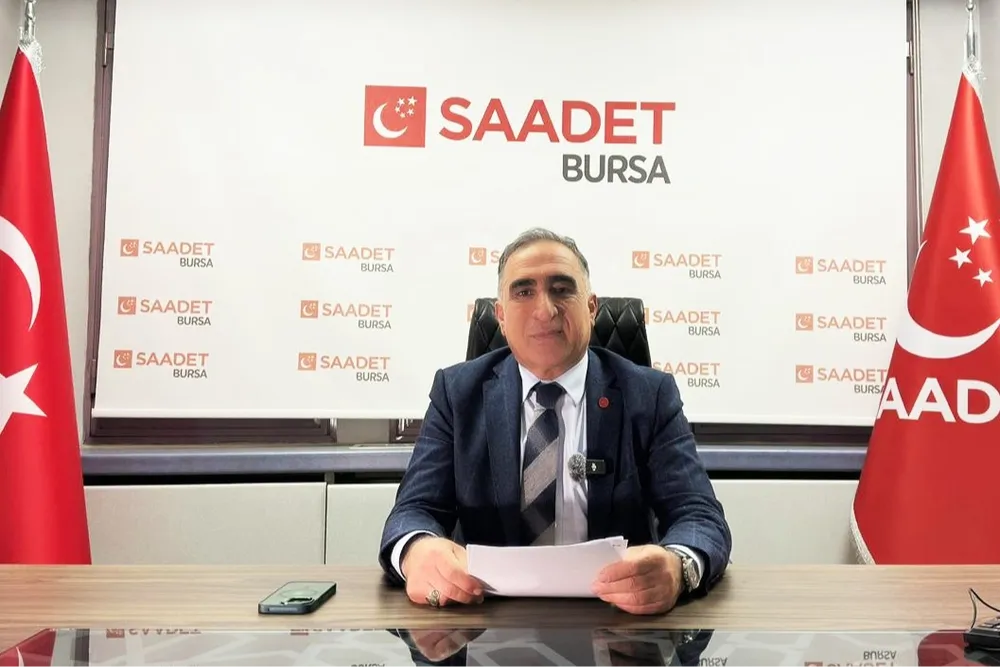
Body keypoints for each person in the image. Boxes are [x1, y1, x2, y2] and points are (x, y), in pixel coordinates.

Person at [377, 227, 732, 615]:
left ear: (591, 308)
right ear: (500, 317)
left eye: (562, 289)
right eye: (523, 292)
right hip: (486, 617)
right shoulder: (457, 394)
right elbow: (413, 511)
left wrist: (679, 567)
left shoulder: (649, 394)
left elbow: (699, 516)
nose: (545, 310)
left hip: (620, 619)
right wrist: (416, 551)